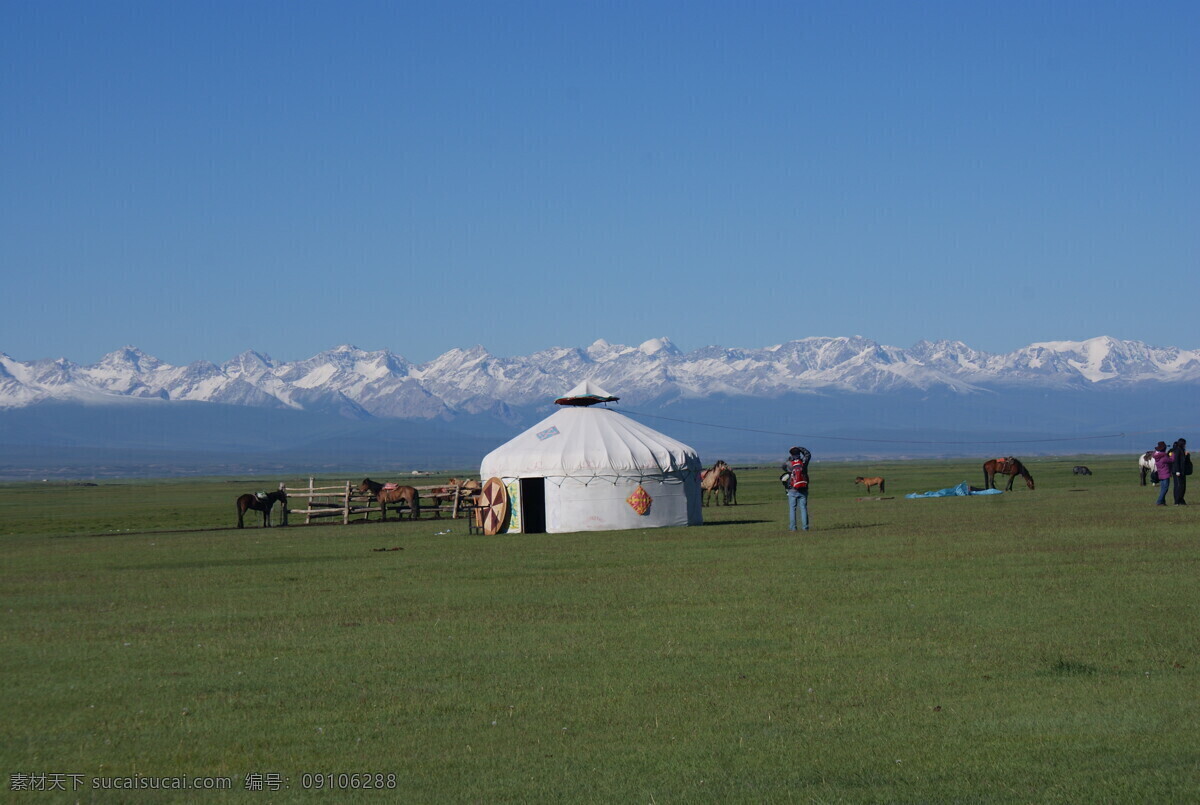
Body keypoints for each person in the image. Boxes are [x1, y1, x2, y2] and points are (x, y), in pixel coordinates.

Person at [782, 446, 811, 531]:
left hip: (792, 488)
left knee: (792, 509)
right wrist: (800, 448)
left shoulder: (789, 463)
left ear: (791, 454)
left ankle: (793, 528)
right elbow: (808, 454)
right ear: (799, 453)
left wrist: (790, 457)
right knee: (803, 508)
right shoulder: (803, 462)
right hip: (803, 488)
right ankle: (805, 528)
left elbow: (783, 467)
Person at [1169, 438, 1189, 505]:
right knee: (1178, 486)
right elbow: (1176, 461)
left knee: (1183, 486)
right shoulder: (1177, 450)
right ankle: (1177, 501)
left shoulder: (1182, 450)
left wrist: (1186, 456)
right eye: (1184, 444)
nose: (1185, 445)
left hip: (1182, 471)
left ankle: (1181, 500)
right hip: (1177, 471)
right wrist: (1177, 471)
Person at [1152, 441, 1172, 506]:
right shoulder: (1164, 457)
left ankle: (1162, 502)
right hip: (1166, 474)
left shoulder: (1157, 457)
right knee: (1165, 489)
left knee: (1162, 489)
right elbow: (1171, 460)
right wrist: (1173, 454)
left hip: (1160, 474)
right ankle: (1159, 501)